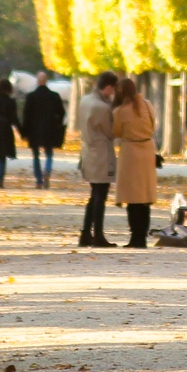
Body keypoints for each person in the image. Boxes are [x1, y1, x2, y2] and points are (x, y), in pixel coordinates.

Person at [112, 74, 159, 246]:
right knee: (145, 197)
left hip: (130, 153)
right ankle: (143, 236)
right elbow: (153, 125)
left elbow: (116, 132)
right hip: (147, 151)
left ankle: (135, 236)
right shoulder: (147, 105)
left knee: (132, 198)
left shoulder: (120, 111)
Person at [75, 72, 120, 247]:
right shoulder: (102, 108)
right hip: (101, 154)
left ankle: (86, 233)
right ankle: (98, 235)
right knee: (100, 196)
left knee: (94, 195)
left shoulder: (85, 100)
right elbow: (111, 132)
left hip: (88, 152)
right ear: (109, 87)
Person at [22, 72, 67, 189]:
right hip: (50, 129)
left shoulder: (31, 97)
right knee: (49, 153)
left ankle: (38, 180)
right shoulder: (54, 96)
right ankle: (47, 170)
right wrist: (57, 123)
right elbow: (62, 113)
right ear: (46, 81)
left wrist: (24, 132)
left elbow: (26, 116)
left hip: (34, 130)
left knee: (35, 155)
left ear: (37, 81)